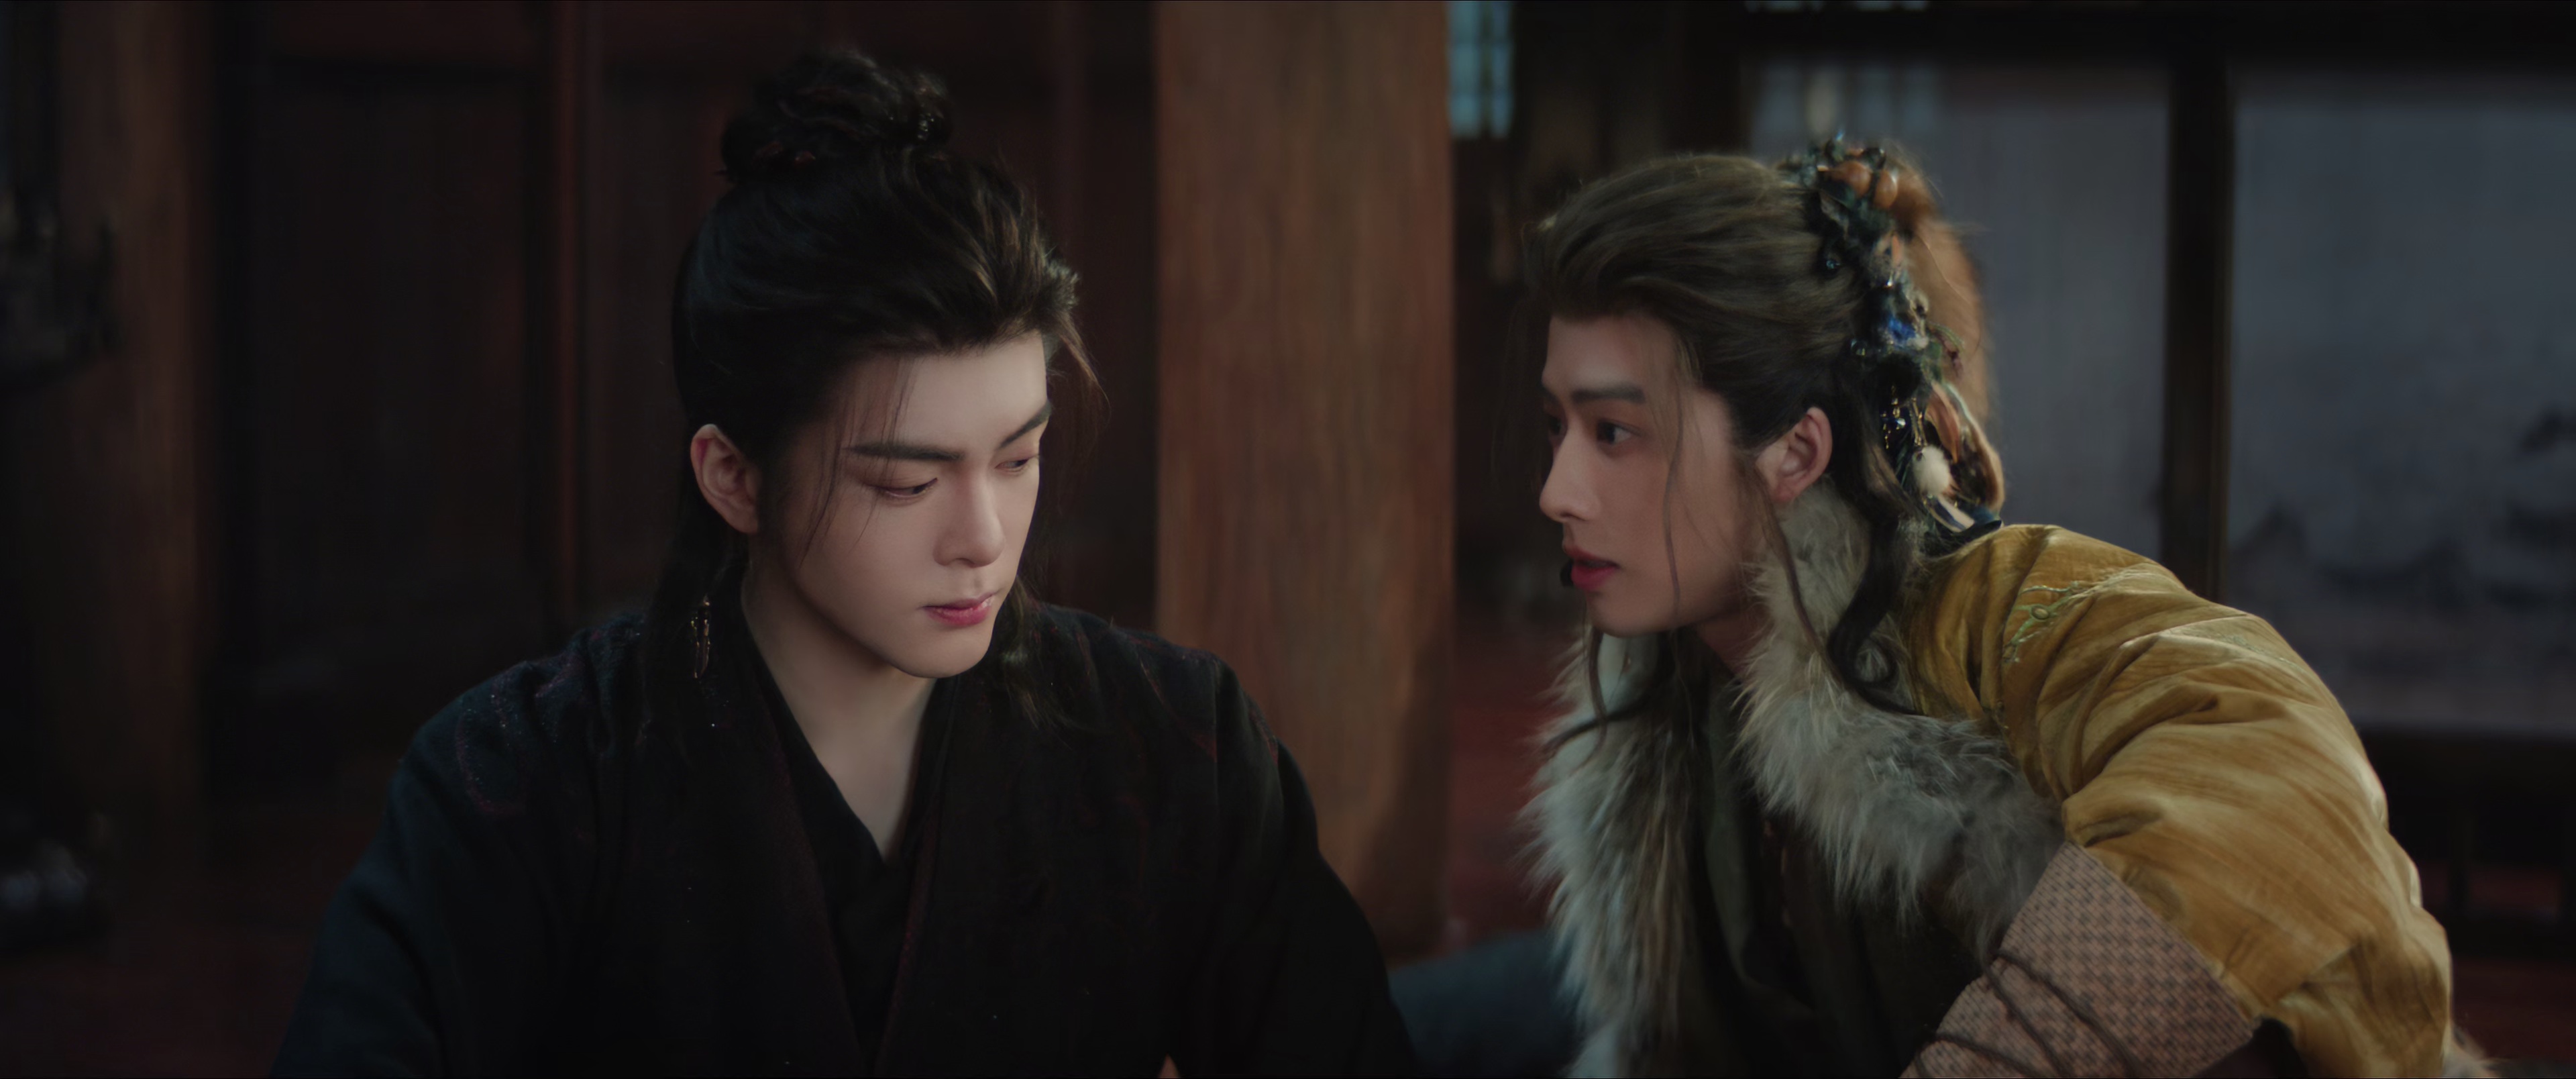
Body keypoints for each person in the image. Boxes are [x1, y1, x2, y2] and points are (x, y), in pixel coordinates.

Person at [273, 51, 1414, 1076]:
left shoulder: (1173, 747)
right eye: (906, 483)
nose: (984, 537)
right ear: (735, 477)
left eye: (1019, 458)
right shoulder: (528, 782)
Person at [1519, 144, 2468, 1076]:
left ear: (1795, 456)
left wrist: (2008, 1052)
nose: (1557, 492)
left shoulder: (1988, 608)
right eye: (1559, 428)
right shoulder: (1672, 691)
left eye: (1616, 433)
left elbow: (2272, 769)